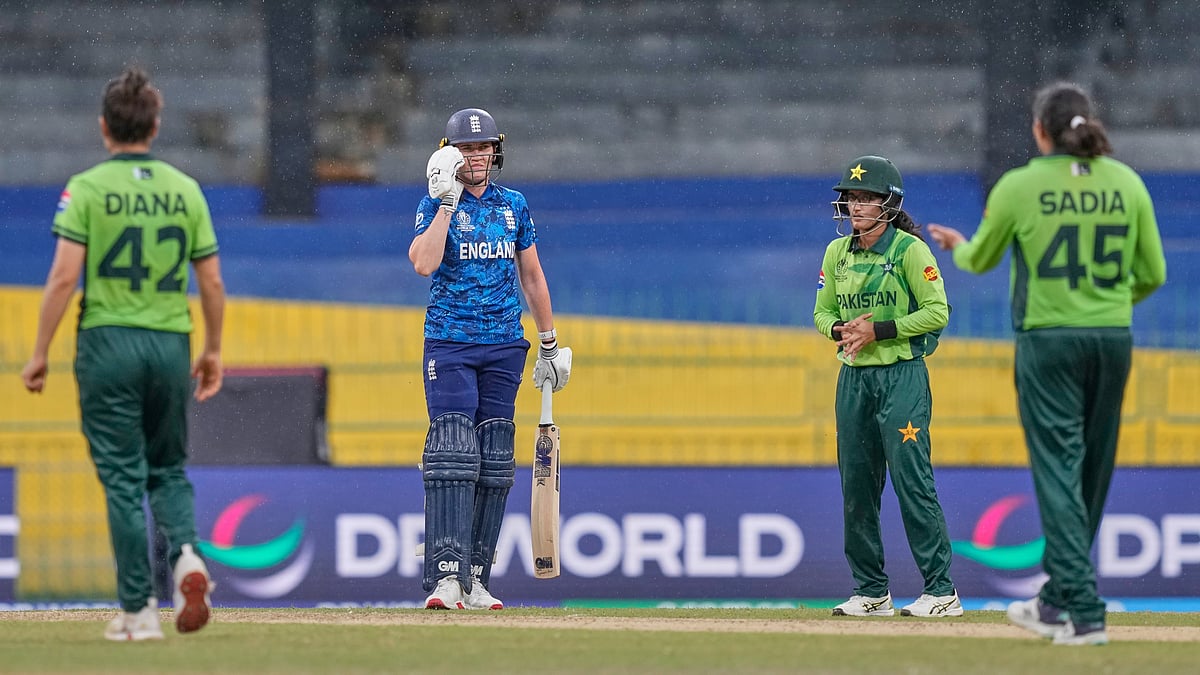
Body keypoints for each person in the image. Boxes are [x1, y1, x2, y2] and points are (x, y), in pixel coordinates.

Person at [928, 82, 1167, 646]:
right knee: (1093, 470)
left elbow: (982, 259)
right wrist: (1100, 307)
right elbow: (1153, 273)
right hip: (1112, 338)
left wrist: (957, 247)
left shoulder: (1021, 185)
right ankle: (1058, 599)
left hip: (1049, 341)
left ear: (1040, 131)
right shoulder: (1127, 182)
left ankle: (1084, 610)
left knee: (1059, 468)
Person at [20, 66, 222, 641]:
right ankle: (185, 555)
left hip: (107, 341)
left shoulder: (84, 188)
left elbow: (63, 279)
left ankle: (137, 611)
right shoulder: (186, 189)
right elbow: (210, 282)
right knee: (167, 468)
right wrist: (212, 350)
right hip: (169, 340)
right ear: (155, 126)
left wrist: (39, 352)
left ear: (104, 127)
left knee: (122, 478)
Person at [409, 107, 572, 610]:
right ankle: (445, 576)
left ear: (494, 151)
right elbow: (423, 263)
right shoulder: (435, 203)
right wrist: (446, 206)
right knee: (454, 452)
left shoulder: (513, 205)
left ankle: (476, 577)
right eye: (466, 148)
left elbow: (533, 276)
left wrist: (550, 342)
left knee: (496, 459)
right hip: (451, 342)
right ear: (448, 154)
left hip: (505, 344)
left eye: (482, 148)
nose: (476, 156)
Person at [813, 155, 962, 619]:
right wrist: (842, 331)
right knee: (856, 485)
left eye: (866, 198)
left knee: (911, 480)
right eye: (851, 198)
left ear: (889, 204)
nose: (856, 207)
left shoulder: (910, 251)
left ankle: (941, 591)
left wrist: (879, 329)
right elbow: (820, 314)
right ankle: (871, 592)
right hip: (854, 378)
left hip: (902, 377)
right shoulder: (836, 254)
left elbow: (938, 312)